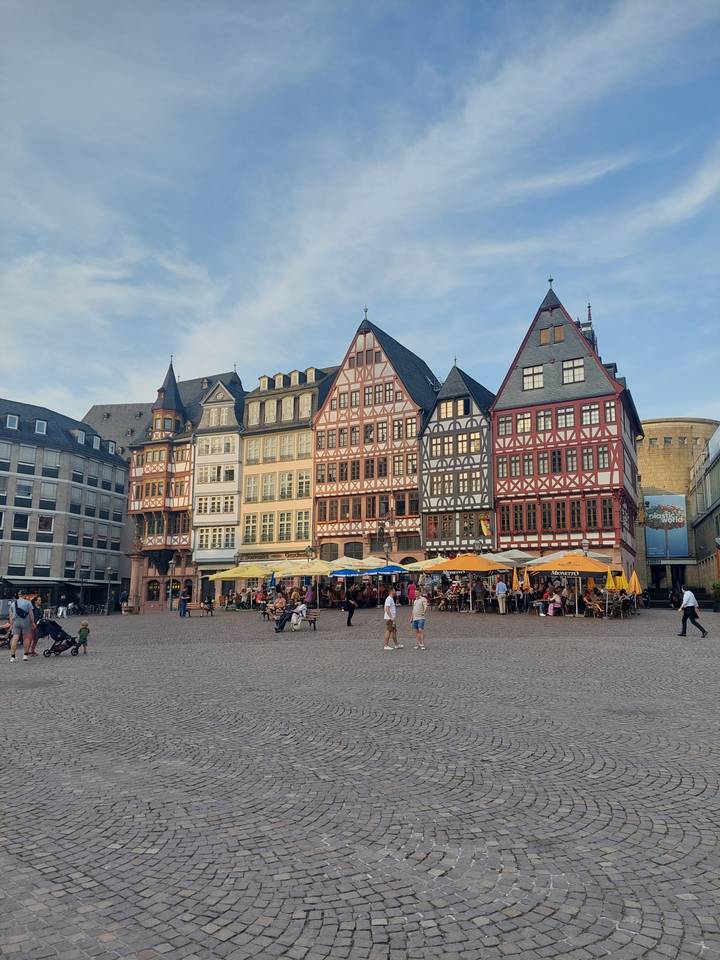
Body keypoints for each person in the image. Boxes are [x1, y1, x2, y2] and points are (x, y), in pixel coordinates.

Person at [9, 589, 35, 662]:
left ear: (19, 595)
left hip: (16, 622)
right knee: (26, 638)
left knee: (15, 638)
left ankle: (13, 657)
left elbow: (10, 615)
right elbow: (31, 614)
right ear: (25, 595)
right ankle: (25, 655)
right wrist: (33, 622)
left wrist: (11, 624)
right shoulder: (28, 603)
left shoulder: (13, 603)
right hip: (25, 621)